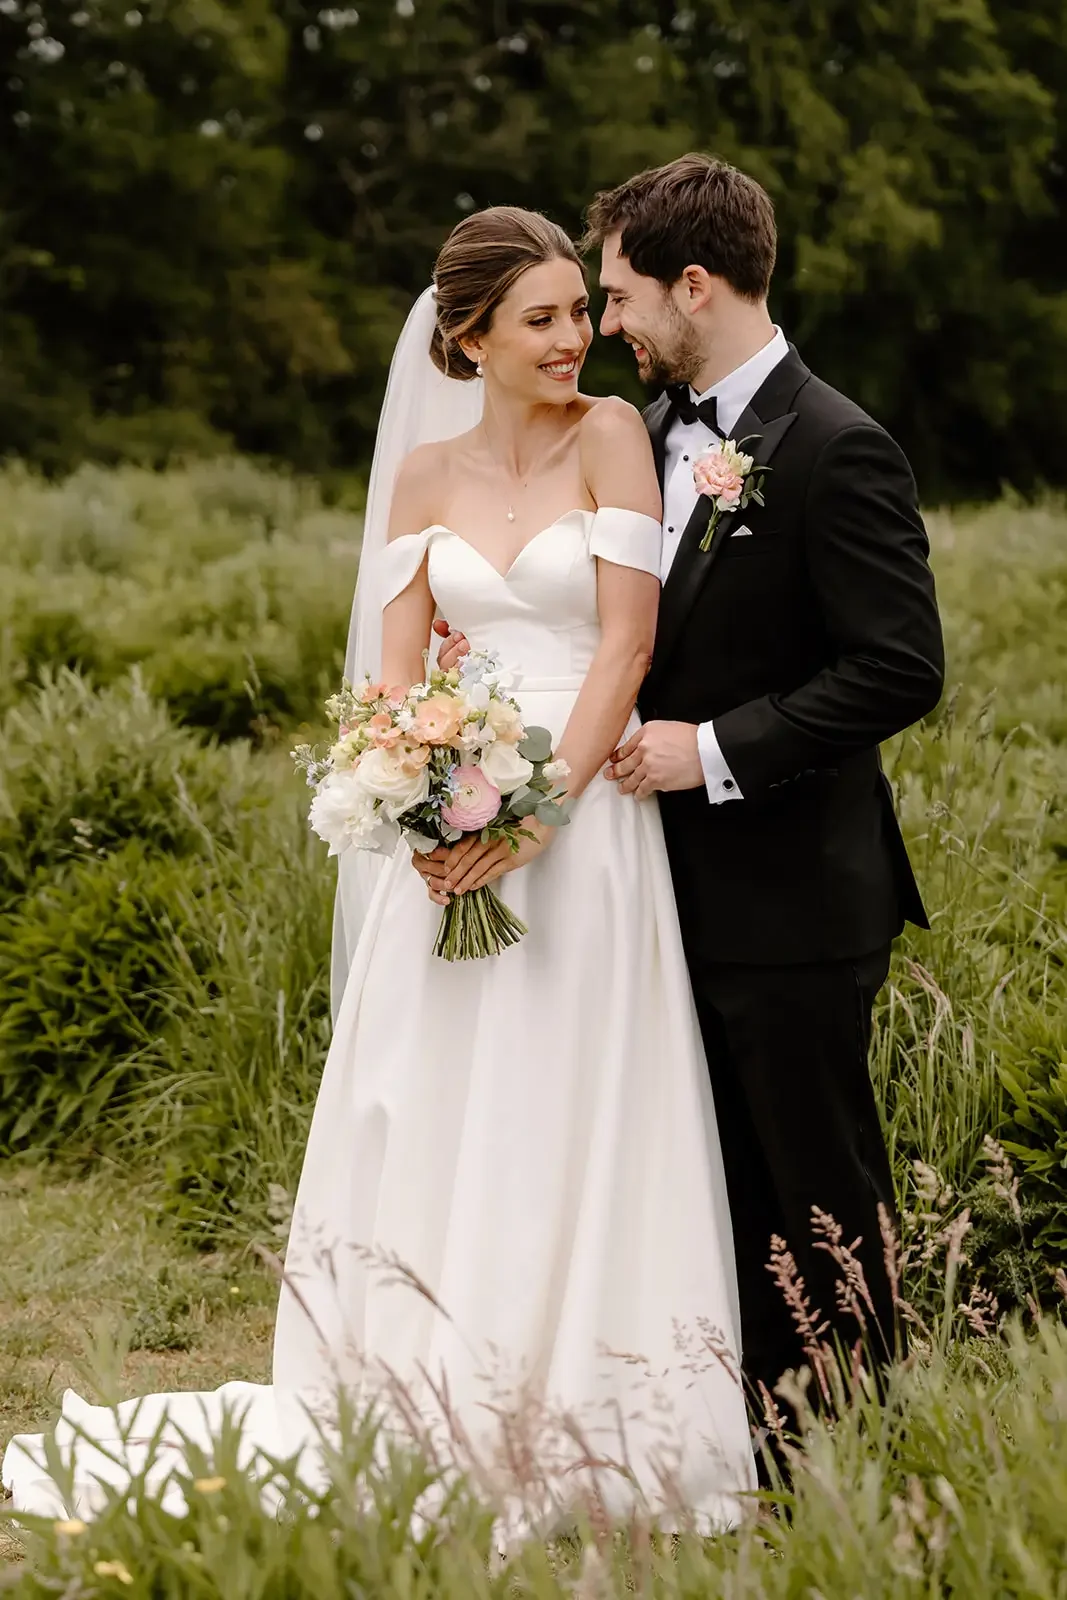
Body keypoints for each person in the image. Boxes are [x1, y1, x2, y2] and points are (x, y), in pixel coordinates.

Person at [2, 205, 755, 1531]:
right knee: (439, 1096)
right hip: (450, 842)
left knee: (572, 1095)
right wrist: (419, 801)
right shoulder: (419, 478)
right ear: (465, 336)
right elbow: (391, 680)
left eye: (581, 311)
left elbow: (622, 654)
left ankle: (585, 1404)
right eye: (540, 319)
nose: (572, 339)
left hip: (583, 837)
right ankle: (418, 1389)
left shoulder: (610, 440)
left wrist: (540, 814)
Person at [426, 157, 945, 1417]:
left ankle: (873, 1446)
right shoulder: (643, 434)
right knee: (712, 1183)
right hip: (655, 895)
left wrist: (709, 749)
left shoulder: (835, 445)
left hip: (795, 895)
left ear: (693, 286)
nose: (603, 326)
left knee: (818, 1183)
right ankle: (748, 1436)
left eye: (613, 297)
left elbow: (899, 667)